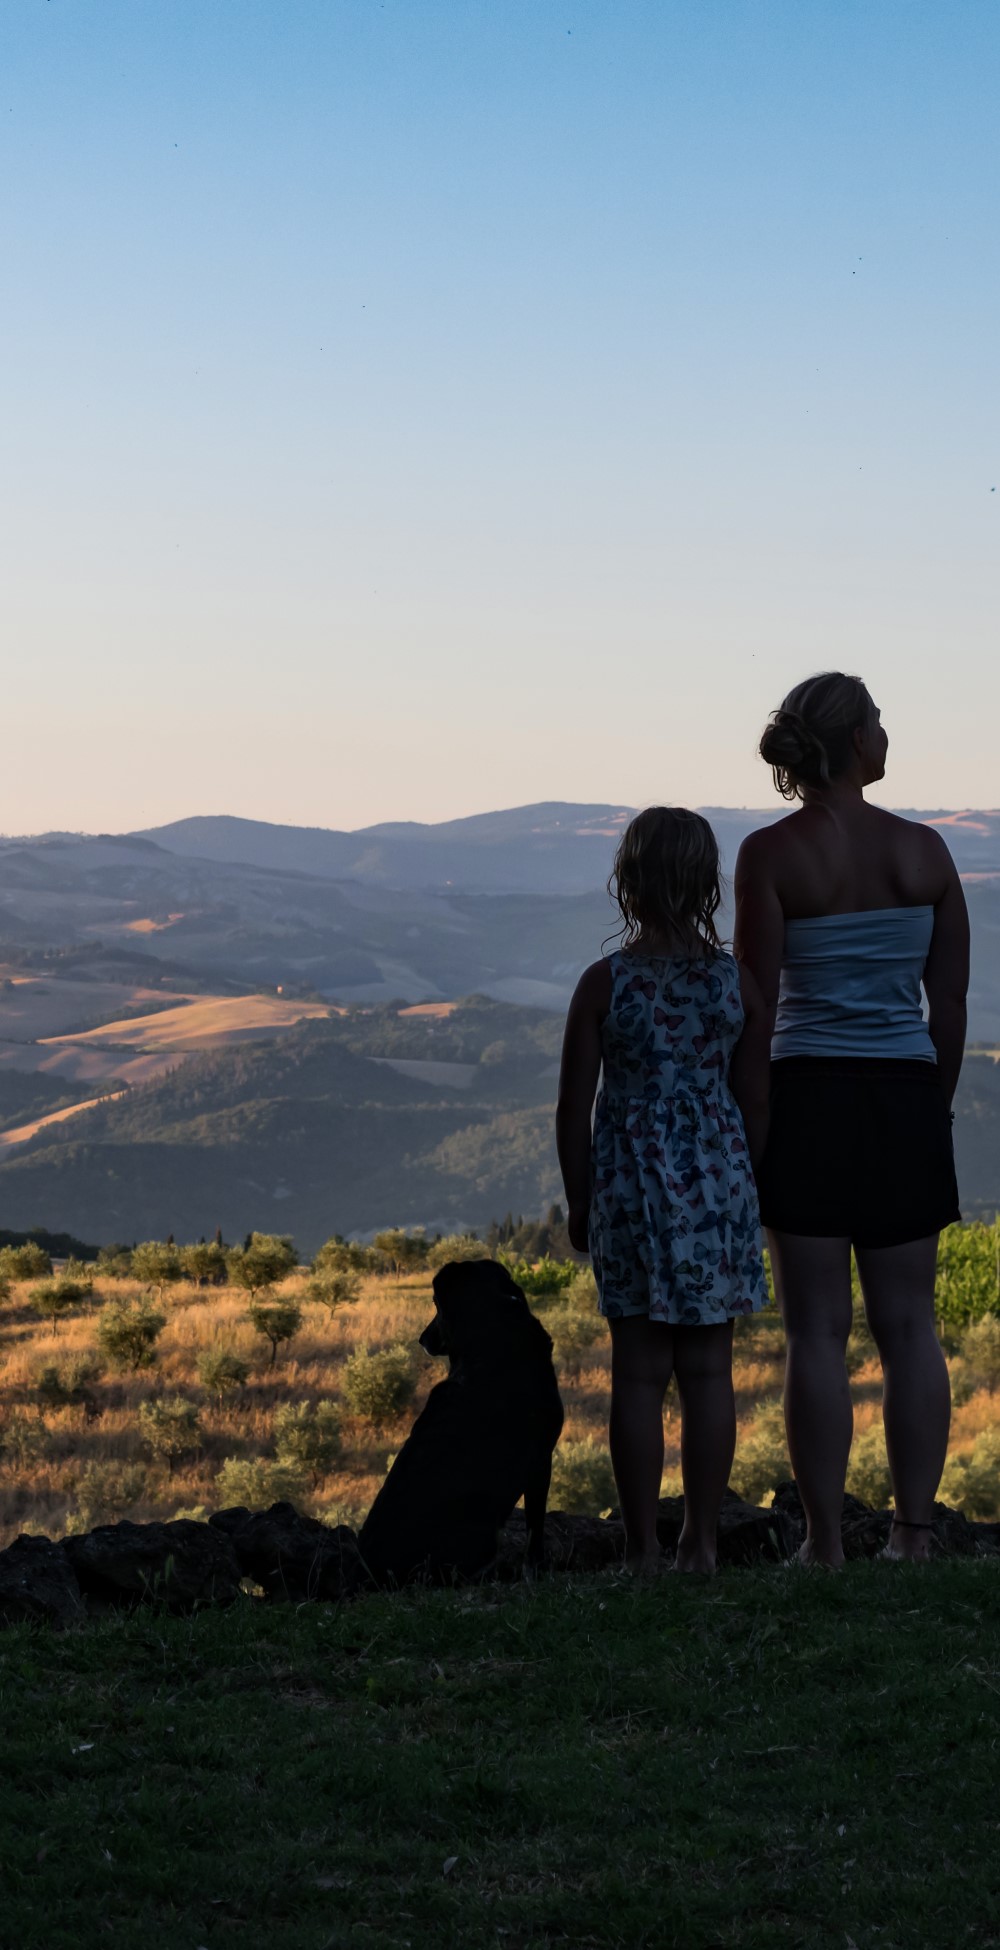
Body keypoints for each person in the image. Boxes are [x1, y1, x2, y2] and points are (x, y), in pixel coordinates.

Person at [735, 672, 969, 1567]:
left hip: (808, 1096)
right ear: (850, 742)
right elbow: (946, 1005)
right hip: (904, 1096)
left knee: (814, 1333)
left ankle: (825, 1543)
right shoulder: (927, 853)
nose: (886, 731)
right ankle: (913, 1533)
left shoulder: (771, 854)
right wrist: (931, 1104)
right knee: (911, 1326)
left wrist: (753, 1128)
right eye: (876, 719)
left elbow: (757, 1006)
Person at [557, 807, 771, 1574]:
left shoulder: (602, 985)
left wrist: (581, 1202)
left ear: (630, 883)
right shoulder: (732, 983)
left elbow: (573, 1107)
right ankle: (703, 1544)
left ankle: (642, 1547)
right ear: (704, 885)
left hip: (629, 1193)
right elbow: (755, 1102)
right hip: (719, 1190)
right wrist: (747, 1191)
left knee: (639, 1375)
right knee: (710, 1372)